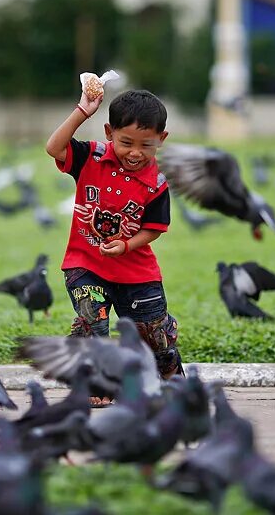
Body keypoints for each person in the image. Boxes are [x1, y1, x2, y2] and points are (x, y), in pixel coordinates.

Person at [45, 87, 183, 405]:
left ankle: (170, 372)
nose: (135, 152)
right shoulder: (90, 157)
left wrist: (126, 245)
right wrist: (83, 111)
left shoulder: (157, 182)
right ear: (110, 133)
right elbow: (54, 148)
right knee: (94, 320)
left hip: (137, 271)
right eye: (126, 142)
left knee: (153, 337)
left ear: (161, 139)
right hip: (86, 264)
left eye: (146, 145)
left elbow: (154, 229)